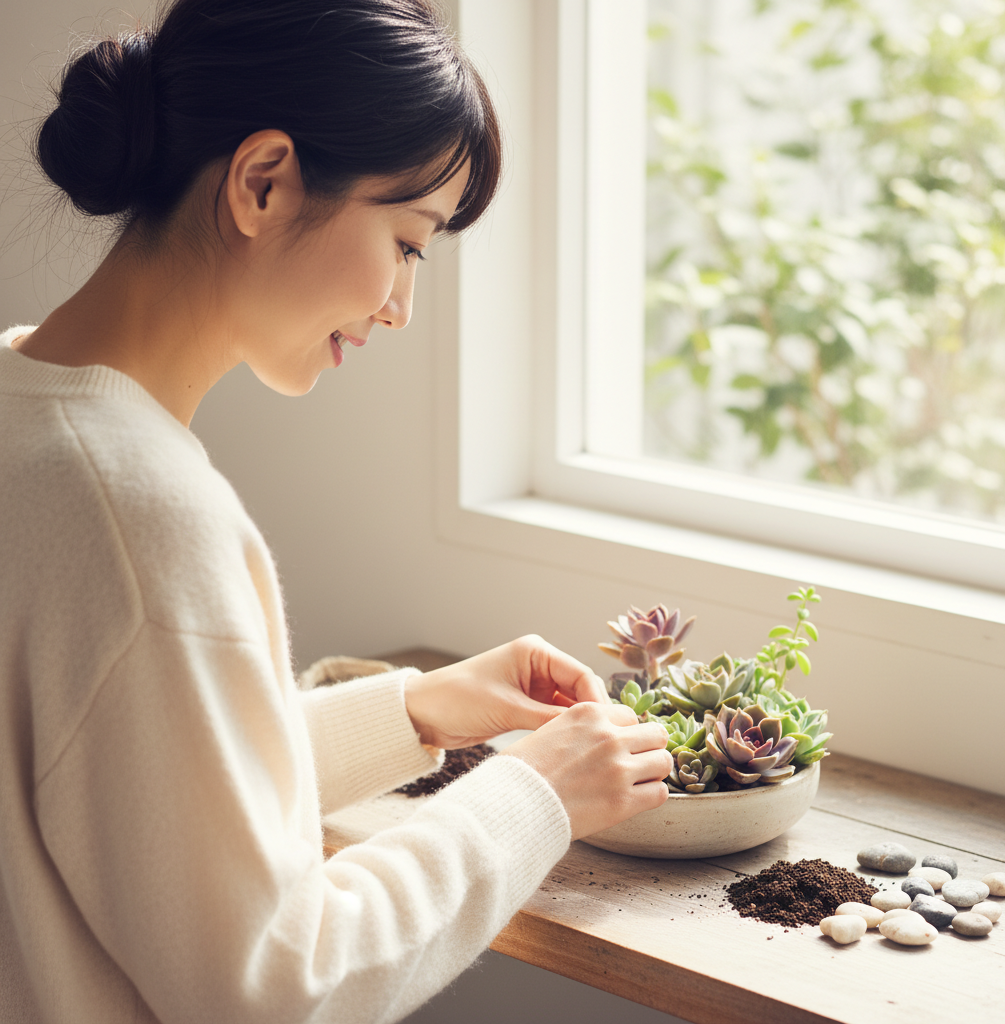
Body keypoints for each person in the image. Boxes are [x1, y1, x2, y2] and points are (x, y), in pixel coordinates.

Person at [0, 2, 672, 1021]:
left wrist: (414, 711)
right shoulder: (137, 515)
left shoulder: (30, 419)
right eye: (407, 242)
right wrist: (537, 795)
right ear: (261, 182)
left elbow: (135, 796)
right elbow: (275, 984)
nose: (400, 306)